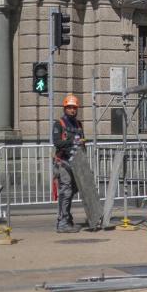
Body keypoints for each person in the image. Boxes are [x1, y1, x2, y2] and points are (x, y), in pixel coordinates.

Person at [52, 95, 86, 233]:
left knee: (74, 189)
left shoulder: (79, 124)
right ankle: (62, 222)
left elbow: (81, 142)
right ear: (65, 108)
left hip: (76, 162)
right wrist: (73, 142)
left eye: (74, 108)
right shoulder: (59, 124)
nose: (72, 110)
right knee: (66, 191)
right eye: (69, 107)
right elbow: (57, 143)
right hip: (64, 162)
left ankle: (66, 216)